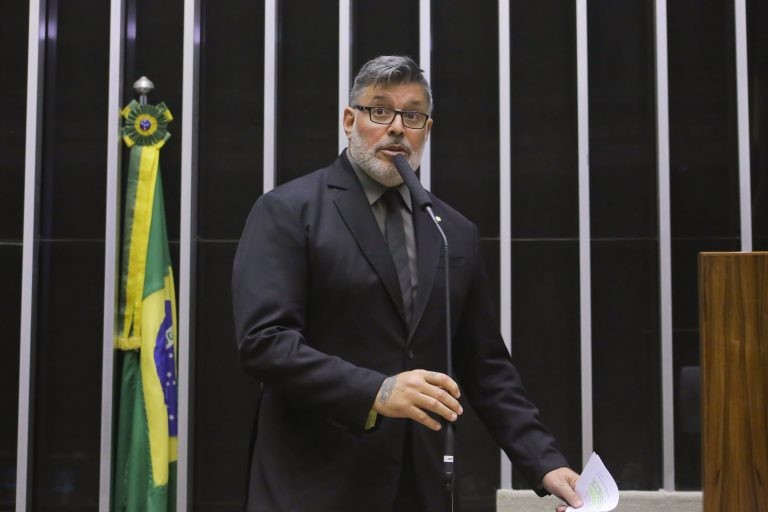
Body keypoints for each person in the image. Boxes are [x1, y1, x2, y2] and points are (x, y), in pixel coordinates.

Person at [232, 55, 582, 512]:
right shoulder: (288, 211)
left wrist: (544, 463)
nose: (397, 127)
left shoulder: (451, 230)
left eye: (412, 115)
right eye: (380, 110)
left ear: (426, 130)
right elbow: (265, 343)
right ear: (349, 120)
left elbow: (485, 364)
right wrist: (377, 391)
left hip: (419, 486)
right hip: (313, 484)